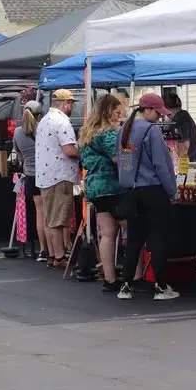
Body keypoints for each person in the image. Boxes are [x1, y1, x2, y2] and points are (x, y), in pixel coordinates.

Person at [116, 93, 180, 301]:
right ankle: (161, 287)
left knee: (134, 239)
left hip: (132, 191)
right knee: (157, 238)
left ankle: (125, 285)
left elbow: (122, 162)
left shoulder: (124, 129)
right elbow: (162, 165)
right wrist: (172, 190)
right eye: (157, 112)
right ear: (147, 110)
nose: (160, 117)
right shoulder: (151, 132)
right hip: (153, 190)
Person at [80, 94, 132, 291]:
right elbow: (120, 159)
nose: (120, 115)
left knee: (107, 234)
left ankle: (109, 279)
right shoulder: (109, 134)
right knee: (131, 229)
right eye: (117, 111)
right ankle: (133, 276)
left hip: (95, 188)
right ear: (109, 111)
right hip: (114, 186)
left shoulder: (87, 133)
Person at [35, 89, 80, 269]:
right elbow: (69, 150)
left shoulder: (44, 120)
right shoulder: (62, 121)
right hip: (60, 174)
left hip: (45, 175)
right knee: (59, 218)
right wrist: (82, 153)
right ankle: (59, 256)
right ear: (66, 104)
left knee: (50, 217)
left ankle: (54, 254)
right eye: (71, 104)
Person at [12, 100, 47, 261]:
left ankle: (43, 249)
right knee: (48, 214)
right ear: (39, 115)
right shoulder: (42, 129)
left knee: (38, 212)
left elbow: (18, 154)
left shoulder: (17, 132)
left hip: (29, 175)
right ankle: (52, 249)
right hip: (45, 174)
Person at [163, 91, 196, 163]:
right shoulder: (184, 116)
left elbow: (184, 146)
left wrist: (179, 165)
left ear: (165, 107)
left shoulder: (179, 120)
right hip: (190, 159)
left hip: (186, 162)